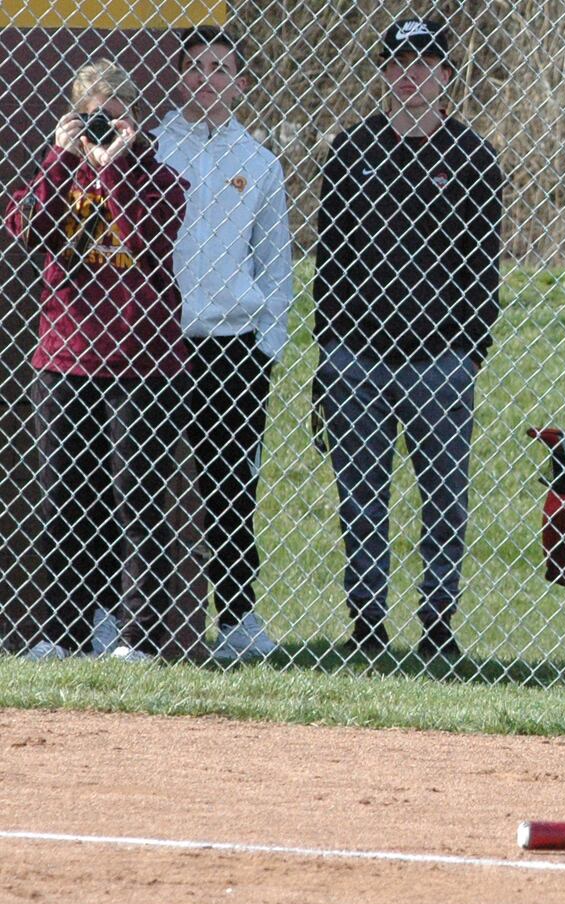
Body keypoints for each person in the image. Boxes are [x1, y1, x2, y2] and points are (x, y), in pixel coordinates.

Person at [314, 16, 503, 659]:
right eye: (399, 63)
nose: (412, 75)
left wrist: (467, 351)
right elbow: (330, 262)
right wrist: (328, 353)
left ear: (447, 75)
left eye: (425, 63)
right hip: (357, 359)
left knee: (444, 500)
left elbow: (483, 268)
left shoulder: (473, 157)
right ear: (385, 72)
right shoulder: (350, 151)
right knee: (362, 499)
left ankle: (437, 628)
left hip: (440, 362)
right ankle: (367, 623)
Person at [5, 59, 188, 662]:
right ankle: (62, 634)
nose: (100, 128)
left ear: (132, 118)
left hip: (140, 359)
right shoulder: (57, 171)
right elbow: (26, 229)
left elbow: (143, 238)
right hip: (64, 354)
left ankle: (136, 637)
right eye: (90, 116)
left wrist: (114, 173)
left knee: (135, 498)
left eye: (111, 115)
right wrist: (64, 158)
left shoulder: (162, 179)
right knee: (64, 500)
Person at [153, 26, 293, 661]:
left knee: (231, 484)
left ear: (239, 83)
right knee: (138, 481)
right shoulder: (148, 149)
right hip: (154, 342)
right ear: (178, 76)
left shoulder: (259, 162)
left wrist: (269, 339)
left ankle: (237, 618)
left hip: (232, 345)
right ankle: (114, 620)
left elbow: (275, 262)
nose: (207, 80)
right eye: (196, 67)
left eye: (222, 69)